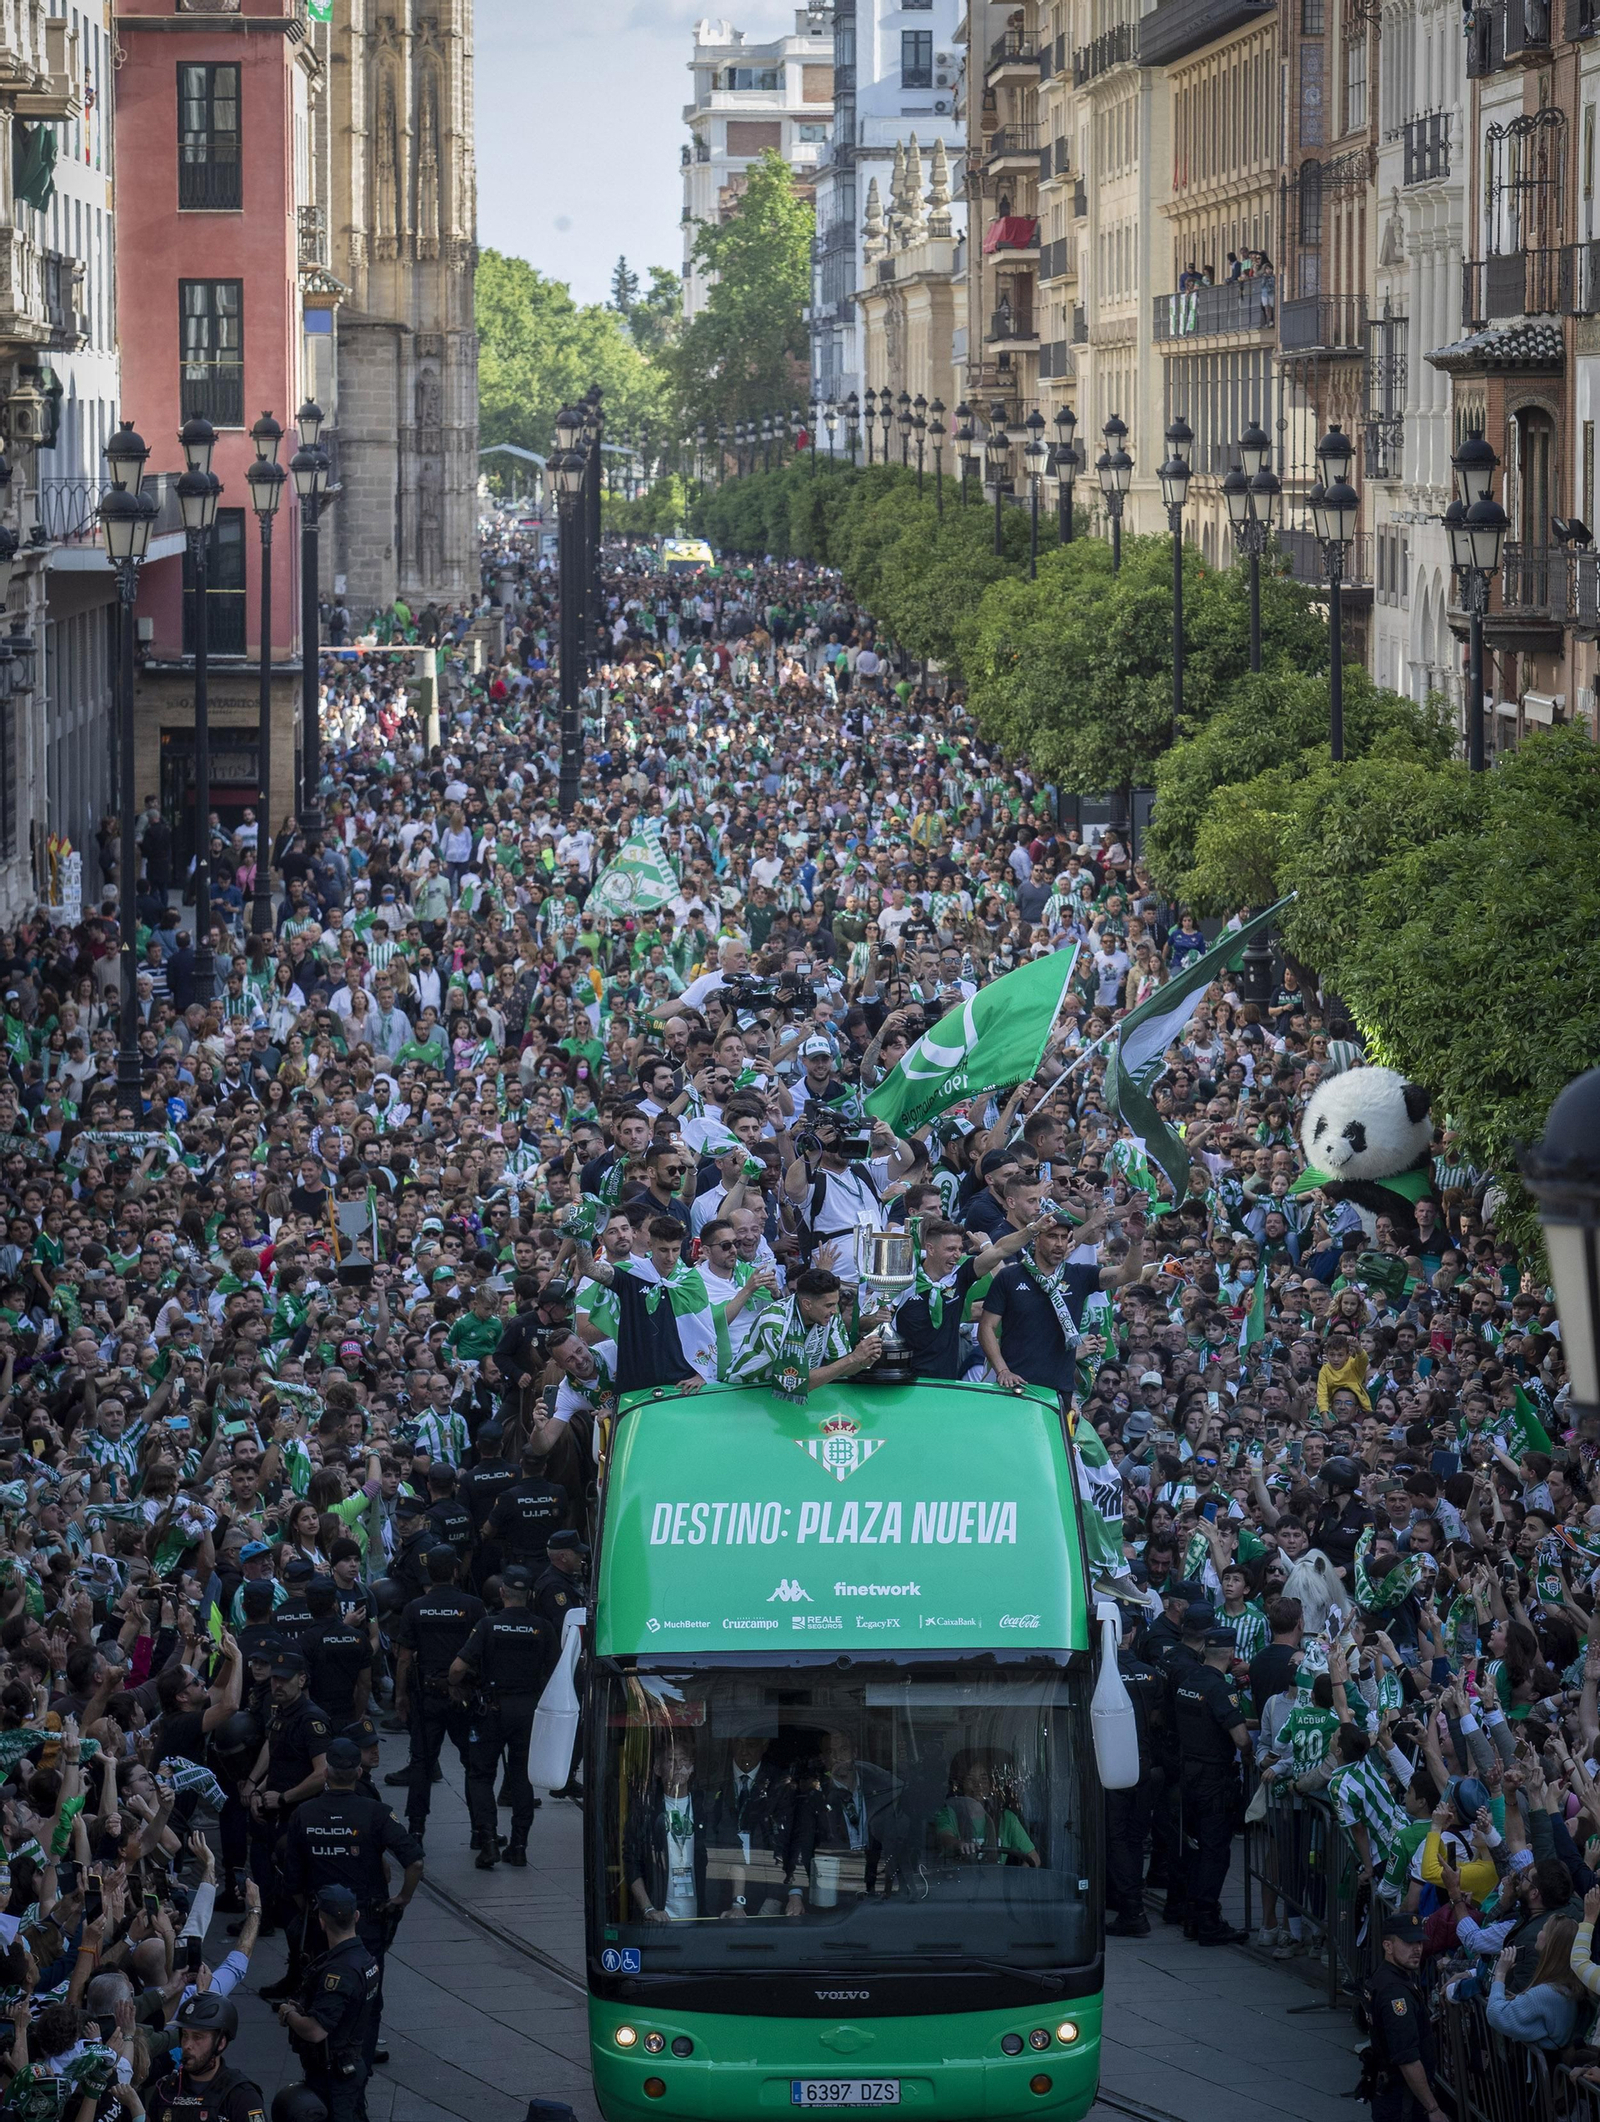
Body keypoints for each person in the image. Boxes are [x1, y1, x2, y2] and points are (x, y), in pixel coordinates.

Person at [279, 1735, 424, 2069]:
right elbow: (414, 1862)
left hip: (322, 1923)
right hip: (366, 1923)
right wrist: (402, 1899)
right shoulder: (375, 1812)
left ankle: (321, 2061)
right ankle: (360, 2062)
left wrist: (311, 1911)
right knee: (368, 1992)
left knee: (321, 1991)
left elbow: (294, 1882)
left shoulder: (304, 1814)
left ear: (326, 1773)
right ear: (358, 1772)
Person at [450, 1562, 558, 1868]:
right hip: (528, 1711)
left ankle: (488, 1842)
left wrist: (454, 1685)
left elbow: (458, 1668)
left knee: (481, 1775)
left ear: (502, 1592)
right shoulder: (543, 1628)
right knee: (522, 1776)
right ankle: (519, 1845)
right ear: (530, 1594)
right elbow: (556, 1671)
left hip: (492, 1709)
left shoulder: (488, 1625)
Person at [1170, 1621, 1250, 1945]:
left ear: (1205, 1649)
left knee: (1196, 1848)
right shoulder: (1221, 1689)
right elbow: (1242, 1739)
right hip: (1214, 1781)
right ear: (1231, 1655)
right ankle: (1207, 1921)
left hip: (1188, 1775)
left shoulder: (1188, 1681)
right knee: (1215, 1853)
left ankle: (1192, 1916)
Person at [276, 1883, 382, 2122]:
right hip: (351, 2063)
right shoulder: (366, 1959)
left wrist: (288, 2014)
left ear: (322, 1922)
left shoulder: (338, 1972)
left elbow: (316, 2031)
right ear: (356, 1916)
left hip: (332, 2076)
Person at [1362, 1912, 1447, 2122]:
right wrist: (1433, 2108)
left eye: (1419, 1941)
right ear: (1387, 1946)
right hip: (1402, 2100)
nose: (1417, 1948)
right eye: (1408, 1942)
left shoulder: (1390, 1976)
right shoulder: (1395, 1993)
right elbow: (1407, 2057)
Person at [147, 1995, 266, 2122]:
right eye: (185, 2035)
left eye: (197, 2037)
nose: (187, 2045)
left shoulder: (241, 2096)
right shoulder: (166, 2089)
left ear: (220, 2043)